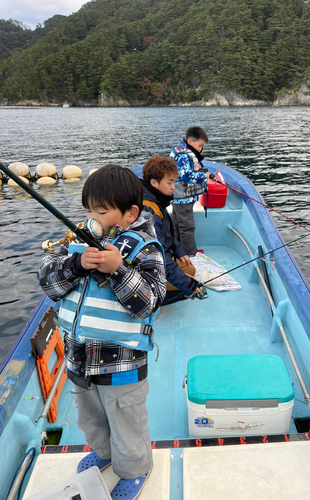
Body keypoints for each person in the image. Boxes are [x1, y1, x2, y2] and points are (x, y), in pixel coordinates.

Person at [37, 165, 166, 500]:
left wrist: (118, 270)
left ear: (130, 213)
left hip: (122, 365)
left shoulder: (145, 248)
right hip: (78, 360)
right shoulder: (78, 241)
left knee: (126, 424)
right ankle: (105, 453)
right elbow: (47, 283)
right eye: (88, 209)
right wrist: (75, 265)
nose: (91, 217)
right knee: (91, 418)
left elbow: (149, 302)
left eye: (102, 210)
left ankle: (136, 468)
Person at [142, 155, 201, 305]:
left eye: (174, 182)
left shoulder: (156, 200)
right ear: (154, 183)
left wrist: (179, 252)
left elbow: (167, 234)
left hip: (160, 260)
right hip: (148, 268)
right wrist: (188, 285)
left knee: (190, 270)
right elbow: (158, 256)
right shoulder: (149, 211)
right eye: (170, 182)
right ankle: (152, 298)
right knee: (189, 285)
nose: (173, 187)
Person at [170, 126, 209, 256]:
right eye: (200, 145)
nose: (200, 149)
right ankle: (190, 254)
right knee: (187, 226)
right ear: (190, 142)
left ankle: (177, 251)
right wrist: (205, 176)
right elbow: (186, 175)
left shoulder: (182, 151)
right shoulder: (183, 155)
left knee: (176, 223)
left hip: (178, 196)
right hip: (183, 197)